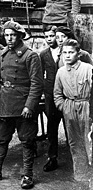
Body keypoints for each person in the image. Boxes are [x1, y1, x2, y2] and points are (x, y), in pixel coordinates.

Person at [0, 21, 43, 190]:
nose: (10, 38)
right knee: (2, 137)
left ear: (19, 36)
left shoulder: (30, 55)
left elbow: (36, 84)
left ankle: (27, 174)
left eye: (13, 35)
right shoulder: (2, 53)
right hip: (5, 101)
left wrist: (29, 106)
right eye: (7, 35)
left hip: (23, 103)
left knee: (27, 140)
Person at [54, 39, 93, 182]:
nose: (67, 55)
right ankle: (81, 176)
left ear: (78, 53)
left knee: (89, 141)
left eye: (71, 52)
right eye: (65, 52)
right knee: (74, 142)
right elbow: (57, 94)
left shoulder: (88, 68)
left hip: (87, 107)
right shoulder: (61, 72)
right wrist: (64, 108)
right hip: (70, 109)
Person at [39, 25, 62, 172]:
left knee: (70, 124)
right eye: (46, 36)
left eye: (51, 36)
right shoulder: (43, 54)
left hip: (66, 92)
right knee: (52, 126)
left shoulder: (65, 52)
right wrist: (42, 91)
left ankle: (78, 157)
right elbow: (40, 75)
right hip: (50, 93)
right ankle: (52, 157)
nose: (49, 39)